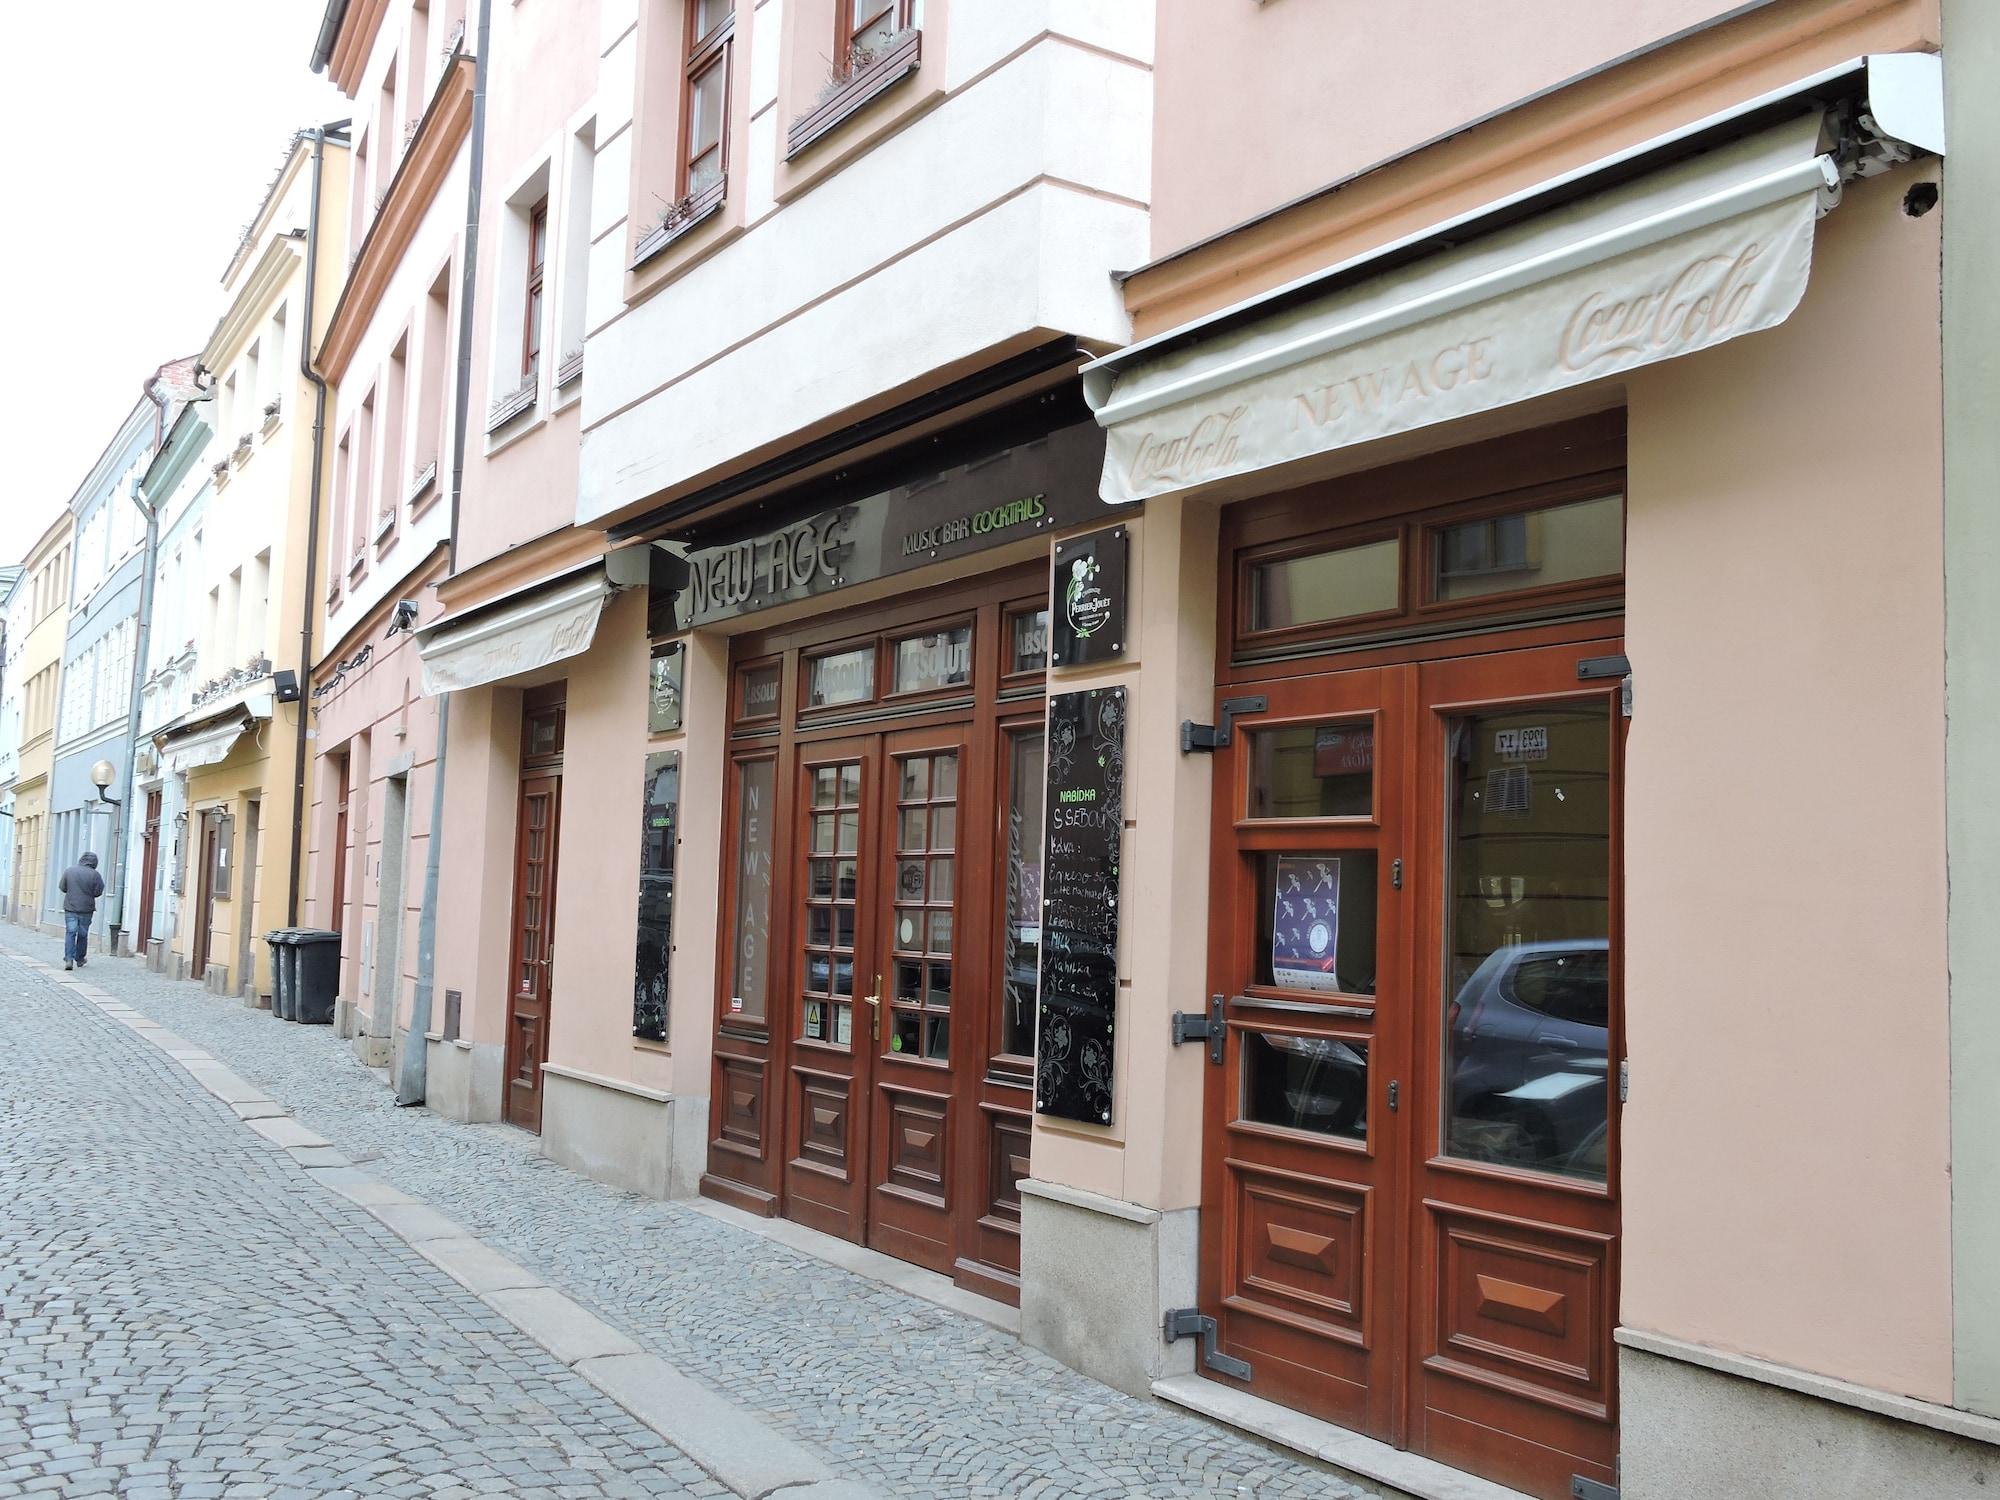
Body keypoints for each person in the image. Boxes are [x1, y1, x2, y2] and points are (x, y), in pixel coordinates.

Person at [59, 852, 105, 971]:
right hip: (86, 909)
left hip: (71, 907)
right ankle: (80, 958)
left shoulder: (69, 871)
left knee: (70, 932)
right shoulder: (95, 874)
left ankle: (68, 959)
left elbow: (62, 887)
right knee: (83, 934)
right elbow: (98, 892)